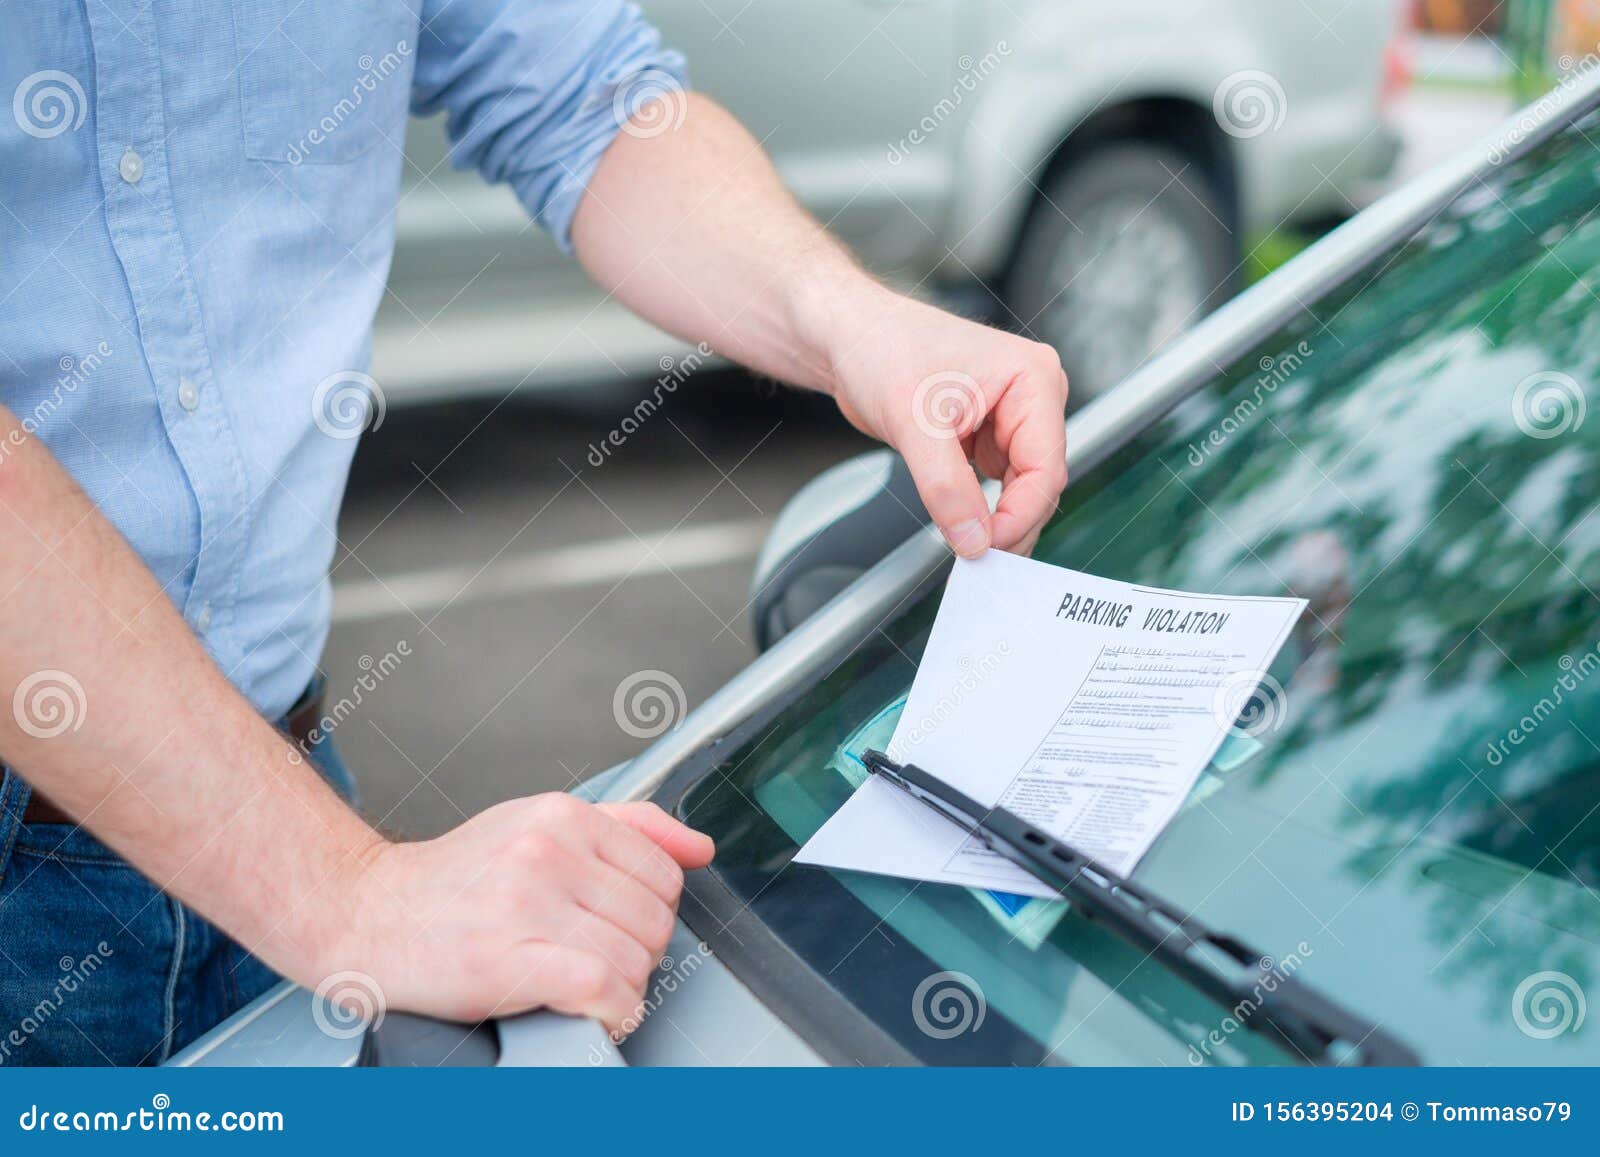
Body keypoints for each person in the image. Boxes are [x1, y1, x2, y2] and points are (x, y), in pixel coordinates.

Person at [0, 1, 1068, 1065]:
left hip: (283, 774)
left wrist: (853, 323)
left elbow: (586, 100)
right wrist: (342, 889)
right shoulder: (341, 892)